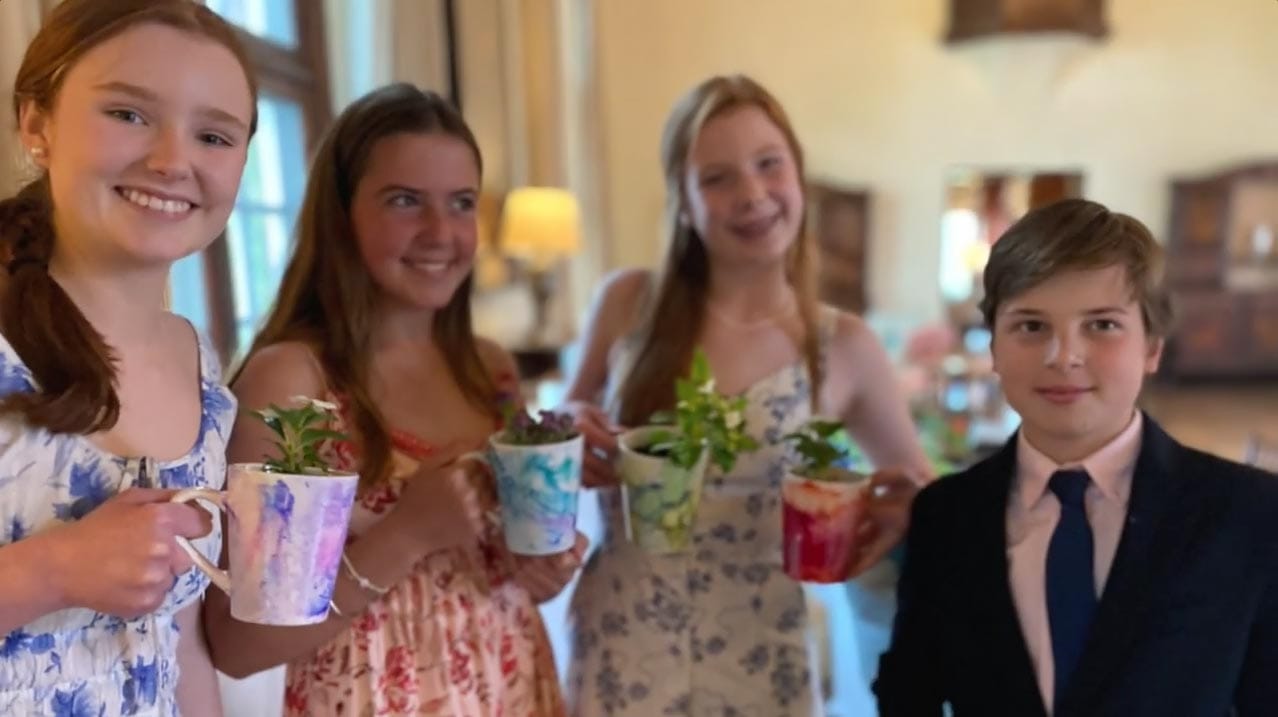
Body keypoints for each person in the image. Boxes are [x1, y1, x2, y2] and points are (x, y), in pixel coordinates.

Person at [202, 83, 585, 717]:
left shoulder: (489, 370)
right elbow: (238, 643)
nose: (441, 232)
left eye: (461, 203)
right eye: (405, 201)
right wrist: (405, 534)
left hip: (513, 687)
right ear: (341, 216)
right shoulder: (293, 385)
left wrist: (541, 566)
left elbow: (507, 577)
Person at [562, 74, 932, 716]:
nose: (753, 194)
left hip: (764, 649)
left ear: (798, 177)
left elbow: (923, 494)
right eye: (717, 177)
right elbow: (560, 419)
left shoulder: (844, 345)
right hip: (622, 637)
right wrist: (569, 425)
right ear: (682, 200)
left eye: (769, 165)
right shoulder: (627, 304)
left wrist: (902, 511)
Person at [874, 198, 1278, 716]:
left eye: (1102, 325)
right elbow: (911, 689)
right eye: (1031, 326)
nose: (1063, 355)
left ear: (1152, 346)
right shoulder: (946, 515)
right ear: (993, 346)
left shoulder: (1247, 512)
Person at [0, 0, 256, 714]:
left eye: (213, 135)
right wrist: (48, 570)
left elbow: (180, 644)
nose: (174, 161)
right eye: (129, 115)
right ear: (35, 123)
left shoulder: (198, 364)